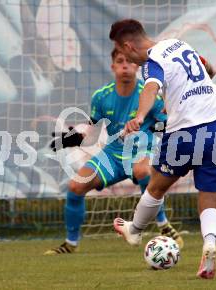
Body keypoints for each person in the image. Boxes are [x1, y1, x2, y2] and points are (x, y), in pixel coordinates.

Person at [109, 19, 216, 279]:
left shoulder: (152, 62)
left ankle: (135, 230)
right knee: (210, 198)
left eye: (123, 53)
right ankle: (209, 244)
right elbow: (208, 68)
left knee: (156, 186)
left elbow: (151, 88)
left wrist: (140, 116)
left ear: (128, 46)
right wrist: (178, 98)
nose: (127, 59)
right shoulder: (179, 44)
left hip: (186, 131)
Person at [44, 48, 183, 255]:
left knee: (142, 171)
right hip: (112, 155)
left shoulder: (149, 94)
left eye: (129, 61)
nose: (125, 65)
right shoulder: (101, 96)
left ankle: (163, 224)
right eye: (120, 61)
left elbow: (165, 125)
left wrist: (159, 129)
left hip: (142, 151)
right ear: (113, 67)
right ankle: (70, 244)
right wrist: (73, 138)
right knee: (75, 186)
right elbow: (92, 134)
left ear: (137, 66)